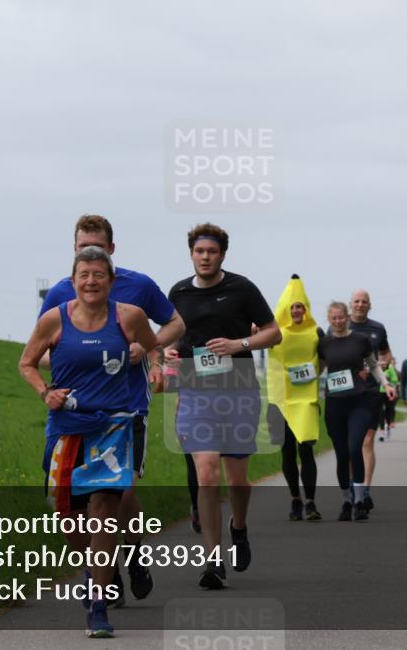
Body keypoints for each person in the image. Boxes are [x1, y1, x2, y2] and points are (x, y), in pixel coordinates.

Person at [38, 214, 185, 604]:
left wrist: (144, 351)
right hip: (78, 411)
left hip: (129, 404)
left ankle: (133, 552)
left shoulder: (138, 287)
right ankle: (108, 571)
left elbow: (174, 325)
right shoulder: (59, 293)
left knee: (122, 488)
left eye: (99, 248)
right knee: (82, 500)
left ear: (112, 251)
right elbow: (45, 351)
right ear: (73, 252)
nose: (91, 255)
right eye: (83, 248)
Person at [20, 246, 164, 638]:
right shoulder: (55, 319)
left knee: (104, 508)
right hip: (66, 427)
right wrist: (44, 392)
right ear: (74, 280)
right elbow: (26, 362)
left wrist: (157, 367)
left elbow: (154, 345)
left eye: (99, 274)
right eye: (84, 274)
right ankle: (91, 568)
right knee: (67, 514)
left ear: (110, 280)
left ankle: (98, 603)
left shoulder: (128, 317)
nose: (91, 281)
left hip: (113, 427)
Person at [166, 223, 281, 589]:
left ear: (222, 255)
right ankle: (213, 560)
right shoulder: (179, 292)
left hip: (238, 390)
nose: (205, 257)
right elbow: (170, 335)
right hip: (196, 392)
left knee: (237, 479)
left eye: (211, 252)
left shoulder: (242, 288)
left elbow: (273, 332)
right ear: (191, 254)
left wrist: (239, 345)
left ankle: (239, 527)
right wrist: (165, 351)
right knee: (206, 473)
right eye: (199, 251)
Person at [320, 301, 397, 522]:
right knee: (342, 455)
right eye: (333, 318)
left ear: (347, 317)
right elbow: (319, 368)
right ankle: (346, 500)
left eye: (341, 317)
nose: (337, 321)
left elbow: (373, 365)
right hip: (335, 404)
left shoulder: (360, 340)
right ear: (329, 319)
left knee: (356, 448)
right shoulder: (324, 343)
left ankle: (359, 500)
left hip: (358, 402)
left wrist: (386, 384)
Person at [267, 275, 323, 522]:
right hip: (279, 400)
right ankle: (295, 500)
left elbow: (327, 357)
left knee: (306, 450)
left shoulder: (316, 331)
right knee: (287, 453)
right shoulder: (273, 332)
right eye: (292, 307)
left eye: (300, 306)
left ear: (306, 308)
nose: (296, 311)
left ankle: (310, 502)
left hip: (305, 400)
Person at [347, 290, 390, 511]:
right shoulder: (340, 326)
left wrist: (383, 364)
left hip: (371, 391)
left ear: (369, 305)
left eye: (364, 302)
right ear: (350, 304)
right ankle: (353, 489)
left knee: (366, 441)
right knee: (351, 445)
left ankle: (364, 490)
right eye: (357, 301)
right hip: (347, 393)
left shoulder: (378, 328)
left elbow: (386, 354)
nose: (360, 305)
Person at [377, 352, 400, 442]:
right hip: (379, 392)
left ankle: (388, 426)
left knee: (389, 410)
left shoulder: (390, 368)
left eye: (384, 360)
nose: (383, 362)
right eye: (381, 360)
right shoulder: (376, 368)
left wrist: (388, 377)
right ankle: (382, 432)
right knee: (381, 411)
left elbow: (395, 379)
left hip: (389, 392)